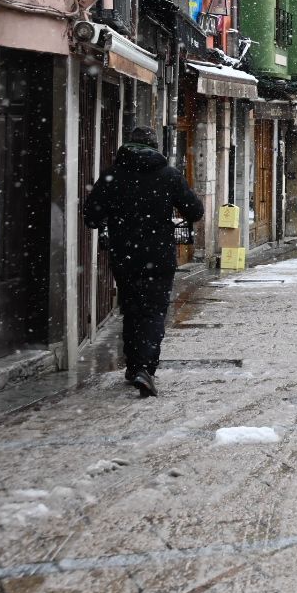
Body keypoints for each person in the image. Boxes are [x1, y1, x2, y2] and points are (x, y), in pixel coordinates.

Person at [84, 125, 204, 397]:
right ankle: (146, 368)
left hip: (124, 255)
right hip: (158, 256)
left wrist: (112, 218)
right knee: (153, 312)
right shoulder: (169, 176)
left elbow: (91, 215)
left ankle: (134, 365)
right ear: (155, 147)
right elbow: (195, 211)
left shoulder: (112, 176)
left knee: (132, 308)